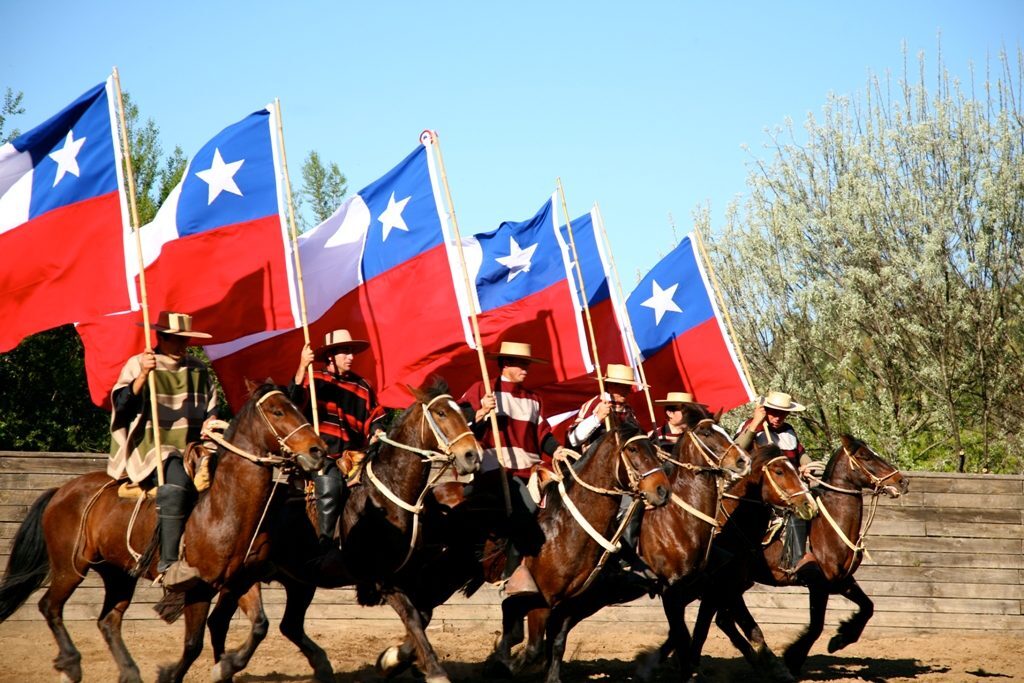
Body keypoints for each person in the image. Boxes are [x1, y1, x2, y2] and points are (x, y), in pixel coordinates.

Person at [109, 311, 218, 590]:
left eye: (186, 339)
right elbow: (121, 406)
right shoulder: (140, 364)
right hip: (154, 447)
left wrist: (211, 425)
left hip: (196, 449)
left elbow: (211, 411)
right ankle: (168, 564)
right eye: (176, 339)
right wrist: (143, 376)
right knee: (178, 483)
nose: (182, 346)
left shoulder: (198, 369)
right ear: (161, 337)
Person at [458, 341, 561, 597]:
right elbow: (460, 426)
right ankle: (511, 575)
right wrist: (481, 412)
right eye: (521, 364)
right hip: (496, 470)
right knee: (525, 509)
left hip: (530, 473)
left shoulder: (533, 399)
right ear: (505, 364)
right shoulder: (483, 388)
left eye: (527, 364)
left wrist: (557, 449)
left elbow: (543, 434)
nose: (526, 369)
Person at [289, 329, 386, 549]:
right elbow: (293, 403)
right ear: (330, 356)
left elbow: (376, 418)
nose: (351, 357)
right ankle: (325, 543)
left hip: (357, 456)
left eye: (351, 352)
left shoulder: (363, 386)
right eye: (345, 352)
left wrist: (377, 432)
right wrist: (303, 366)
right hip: (322, 456)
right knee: (331, 484)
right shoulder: (314, 380)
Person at [734, 390, 822, 574]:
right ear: (764, 410)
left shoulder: (788, 430)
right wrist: (756, 423)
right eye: (774, 412)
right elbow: (737, 450)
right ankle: (796, 558)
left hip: (790, 484)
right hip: (761, 489)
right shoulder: (751, 426)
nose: (778, 417)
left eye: (783, 413)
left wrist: (808, 466)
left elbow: (802, 455)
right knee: (797, 506)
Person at [567, 363, 642, 450]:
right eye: (625, 386)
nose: (629, 390)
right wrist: (597, 418)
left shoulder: (628, 409)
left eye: (629, 386)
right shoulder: (595, 404)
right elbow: (573, 440)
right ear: (611, 385)